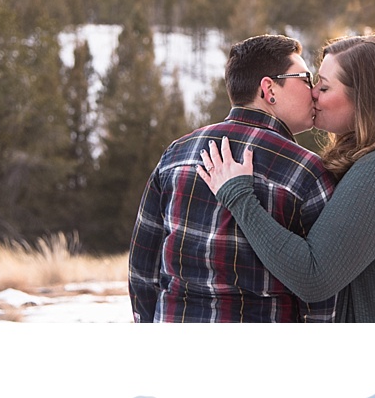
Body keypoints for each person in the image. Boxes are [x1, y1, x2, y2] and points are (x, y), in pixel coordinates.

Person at [197, 32, 375, 322]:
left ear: (364, 97)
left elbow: (313, 277)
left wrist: (239, 197)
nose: (313, 94)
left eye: (324, 86)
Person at [127, 34, 338, 322]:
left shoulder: (177, 155)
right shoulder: (307, 172)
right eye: (305, 78)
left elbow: (143, 268)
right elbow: (322, 293)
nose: (313, 91)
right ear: (269, 89)